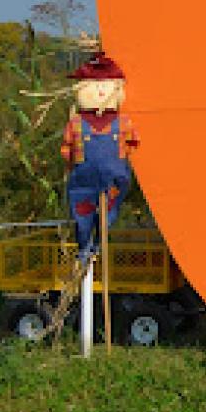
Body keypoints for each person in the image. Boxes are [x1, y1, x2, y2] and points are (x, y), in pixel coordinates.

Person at [60, 52, 138, 260]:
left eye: (106, 84)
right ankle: (84, 245)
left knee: (109, 213)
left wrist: (121, 159)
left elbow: (130, 145)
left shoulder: (123, 122)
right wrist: (70, 163)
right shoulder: (76, 123)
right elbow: (67, 149)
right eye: (95, 84)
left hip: (115, 177)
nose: (101, 90)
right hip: (83, 178)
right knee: (82, 213)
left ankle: (97, 243)